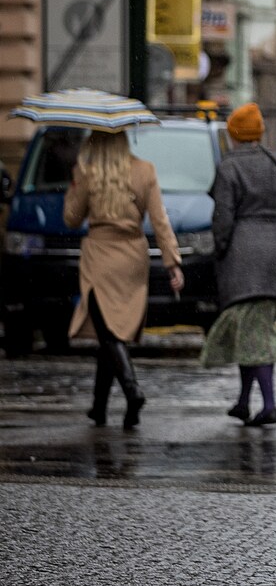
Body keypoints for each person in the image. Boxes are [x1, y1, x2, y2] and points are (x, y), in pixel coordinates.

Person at [64, 130, 183, 429]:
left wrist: (75, 183)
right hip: (132, 256)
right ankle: (99, 406)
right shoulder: (145, 171)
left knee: (108, 331)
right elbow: (160, 220)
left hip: (100, 256)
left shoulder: (89, 172)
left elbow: (71, 218)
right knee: (112, 329)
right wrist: (172, 263)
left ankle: (132, 391)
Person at [199, 103, 276, 427]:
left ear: (233, 135)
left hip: (243, 258)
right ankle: (245, 401)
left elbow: (223, 218)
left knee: (254, 334)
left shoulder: (229, 168)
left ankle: (269, 404)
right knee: (250, 331)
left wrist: (220, 249)